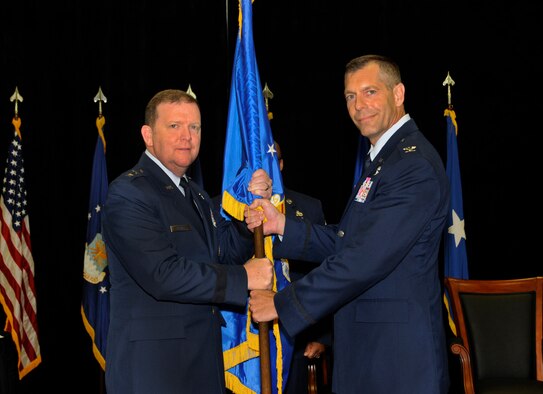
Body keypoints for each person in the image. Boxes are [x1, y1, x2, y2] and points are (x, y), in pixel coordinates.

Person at [246, 55, 451, 394]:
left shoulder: (412, 166)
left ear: (398, 94)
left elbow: (364, 259)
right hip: (369, 351)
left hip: (397, 361)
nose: (359, 105)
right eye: (350, 96)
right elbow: (349, 240)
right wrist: (282, 224)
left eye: (370, 92)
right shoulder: (384, 159)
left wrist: (283, 304)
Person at [102, 89, 274, 394]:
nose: (187, 136)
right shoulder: (129, 193)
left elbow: (220, 251)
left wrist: (248, 227)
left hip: (202, 362)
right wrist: (245, 277)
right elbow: (163, 275)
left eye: (194, 127)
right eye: (174, 126)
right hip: (154, 369)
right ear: (148, 135)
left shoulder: (194, 193)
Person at [273, 140, 332, 394]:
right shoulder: (223, 207)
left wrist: (323, 337)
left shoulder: (309, 208)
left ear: (281, 165)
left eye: (272, 160)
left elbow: (327, 274)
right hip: (241, 340)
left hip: (297, 338)